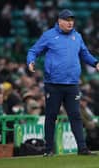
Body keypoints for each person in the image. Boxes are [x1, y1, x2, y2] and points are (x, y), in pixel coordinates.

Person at [27, 9, 99, 156]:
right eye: (67, 20)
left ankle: (82, 148)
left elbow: (85, 54)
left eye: (72, 20)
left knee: (76, 116)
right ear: (59, 21)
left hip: (72, 84)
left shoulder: (77, 37)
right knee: (51, 116)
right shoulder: (49, 35)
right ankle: (48, 150)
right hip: (53, 84)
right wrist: (30, 61)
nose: (70, 22)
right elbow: (33, 50)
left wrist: (96, 63)